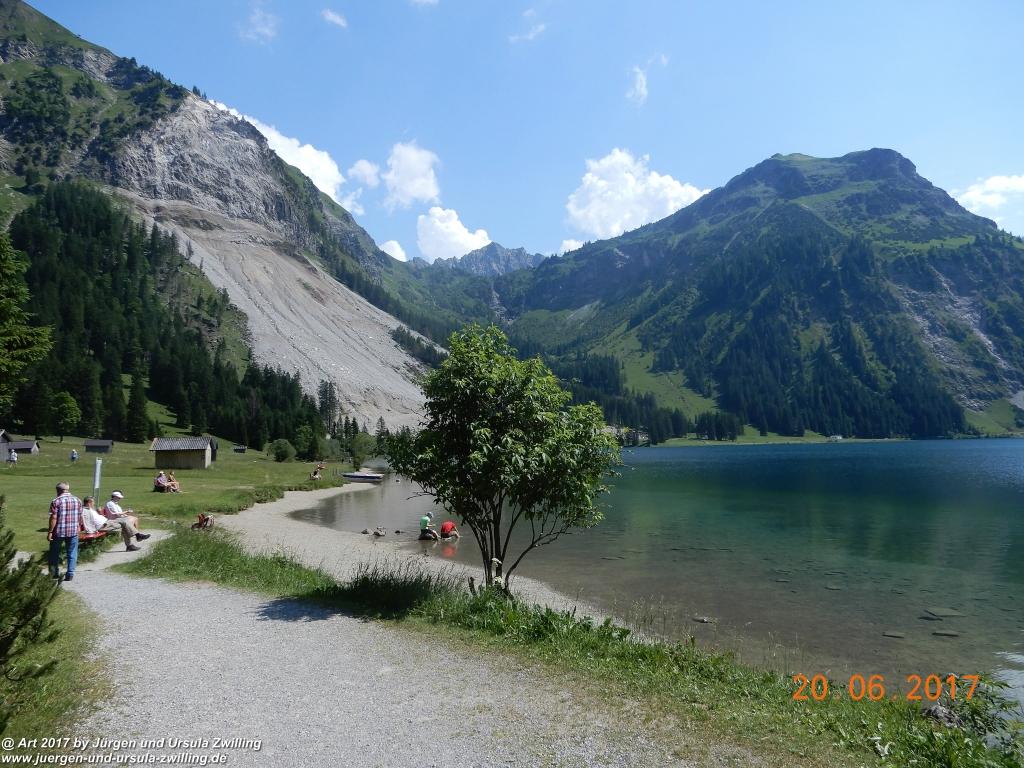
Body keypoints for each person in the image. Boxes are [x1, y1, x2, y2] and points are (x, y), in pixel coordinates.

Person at [82, 496, 148, 551]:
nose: (94, 503)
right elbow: (86, 521)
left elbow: (96, 517)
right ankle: (135, 539)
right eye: (93, 502)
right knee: (124, 523)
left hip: (108, 522)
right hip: (103, 526)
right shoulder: (85, 511)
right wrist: (91, 530)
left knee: (125, 521)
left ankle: (134, 540)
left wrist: (99, 513)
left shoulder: (90, 509)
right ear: (89, 503)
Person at [48, 482, 83, 581]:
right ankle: (70, 573)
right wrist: (79, 527)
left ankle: (54, 573)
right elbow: (80, 516)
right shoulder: (78, 500)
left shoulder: (56, 501)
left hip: (58, 531)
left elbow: (54, 517)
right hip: (73, 531)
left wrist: (50, 531)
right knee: (72, 552)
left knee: (54, 552)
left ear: (58, 490)